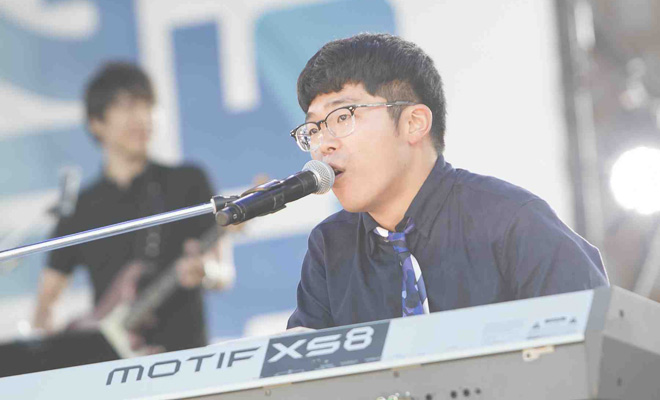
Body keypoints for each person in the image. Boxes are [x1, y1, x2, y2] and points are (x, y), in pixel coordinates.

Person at [287, 33, 608, 329]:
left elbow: (596, 346)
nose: (323, 145)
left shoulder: (512, 222)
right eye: (313, 130)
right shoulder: (331, 248)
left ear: (414, 123)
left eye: (342, 117)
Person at [33, 62, 235, 352]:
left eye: (147, 105)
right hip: (112, 366)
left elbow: (223, 272)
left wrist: (206, 273)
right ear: (96, 123)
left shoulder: (188, 180)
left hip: (186, 355)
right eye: (127, 106)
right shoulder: (80, 207)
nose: (141, 117)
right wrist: (50, 354)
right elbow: (46, 302)